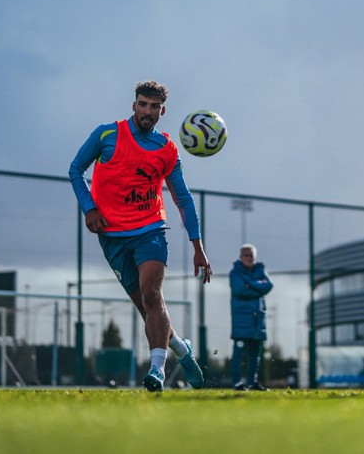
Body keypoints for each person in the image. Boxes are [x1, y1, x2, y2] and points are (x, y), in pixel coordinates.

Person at [69, 80, 211, 392]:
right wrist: (88, 208)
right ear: (134, 105)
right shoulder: (107, 134)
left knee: (152, 294)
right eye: (143, 104)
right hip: (112, 235)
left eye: (154, 106)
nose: (148, 111)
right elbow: (76, 169)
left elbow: (183, 198)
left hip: (150, 229)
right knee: (147, 309)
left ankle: (156, 371)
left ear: (163, 110)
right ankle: (181, 348)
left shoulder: (167, 148)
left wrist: (197, 246)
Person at [229, 243, 273, 391]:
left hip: (258, 321)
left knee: (255, 355)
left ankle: (252, 383)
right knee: (239, 354)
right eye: (246, 255)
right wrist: (258, 288)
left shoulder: (261, 270)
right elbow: (240, 290)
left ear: (255, 257)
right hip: (241, 320)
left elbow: (268, 286)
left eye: (251, 255)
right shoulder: (235, 273)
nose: (249, 258)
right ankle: (237, 383)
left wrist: (250, 284)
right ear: (241, 257)